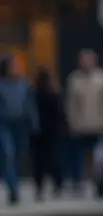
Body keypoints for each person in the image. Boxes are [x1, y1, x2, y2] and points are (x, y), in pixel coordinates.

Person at [65, 49, 103, 191]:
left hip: (98, 124)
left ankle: (96, 179)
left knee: (98, 156)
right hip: (80, 125)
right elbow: (71, 103)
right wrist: (72, 121)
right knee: (78, 155)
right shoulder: (74, 79)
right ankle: (78, 180)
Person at [0, 55, 37, 205]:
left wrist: (34, 122)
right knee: (8, 153)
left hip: (20, 124)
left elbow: (30, 105)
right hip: (3, 123)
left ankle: (13, 181)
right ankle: (13, 187)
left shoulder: (24, 85)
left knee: (18, 156)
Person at [30, 68, 64, 200]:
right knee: (53, 159)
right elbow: (59, 114)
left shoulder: (34, 94)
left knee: (38, 162)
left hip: (37, 132)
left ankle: (39, 186)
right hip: (51, 132)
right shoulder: (54, 95)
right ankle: (58, 182)